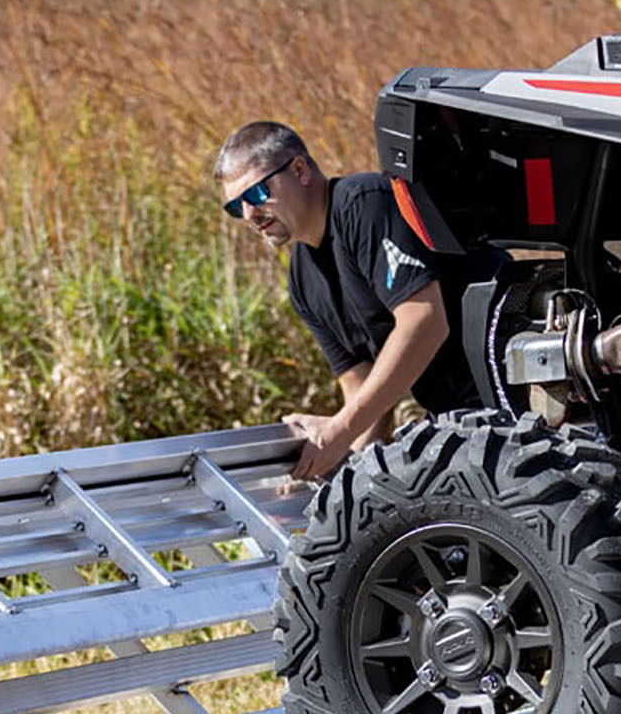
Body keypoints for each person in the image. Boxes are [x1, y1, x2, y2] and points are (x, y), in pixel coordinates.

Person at [214, 121, 502, 481]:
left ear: (300, 170)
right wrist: (326, 467)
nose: (249, 215)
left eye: (256, 194)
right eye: (234, 207)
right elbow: (363, 397)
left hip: (510, 397)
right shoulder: (302, 281)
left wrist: (340, 429)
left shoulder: (365, 204)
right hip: (458, 424)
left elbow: (425, 321)